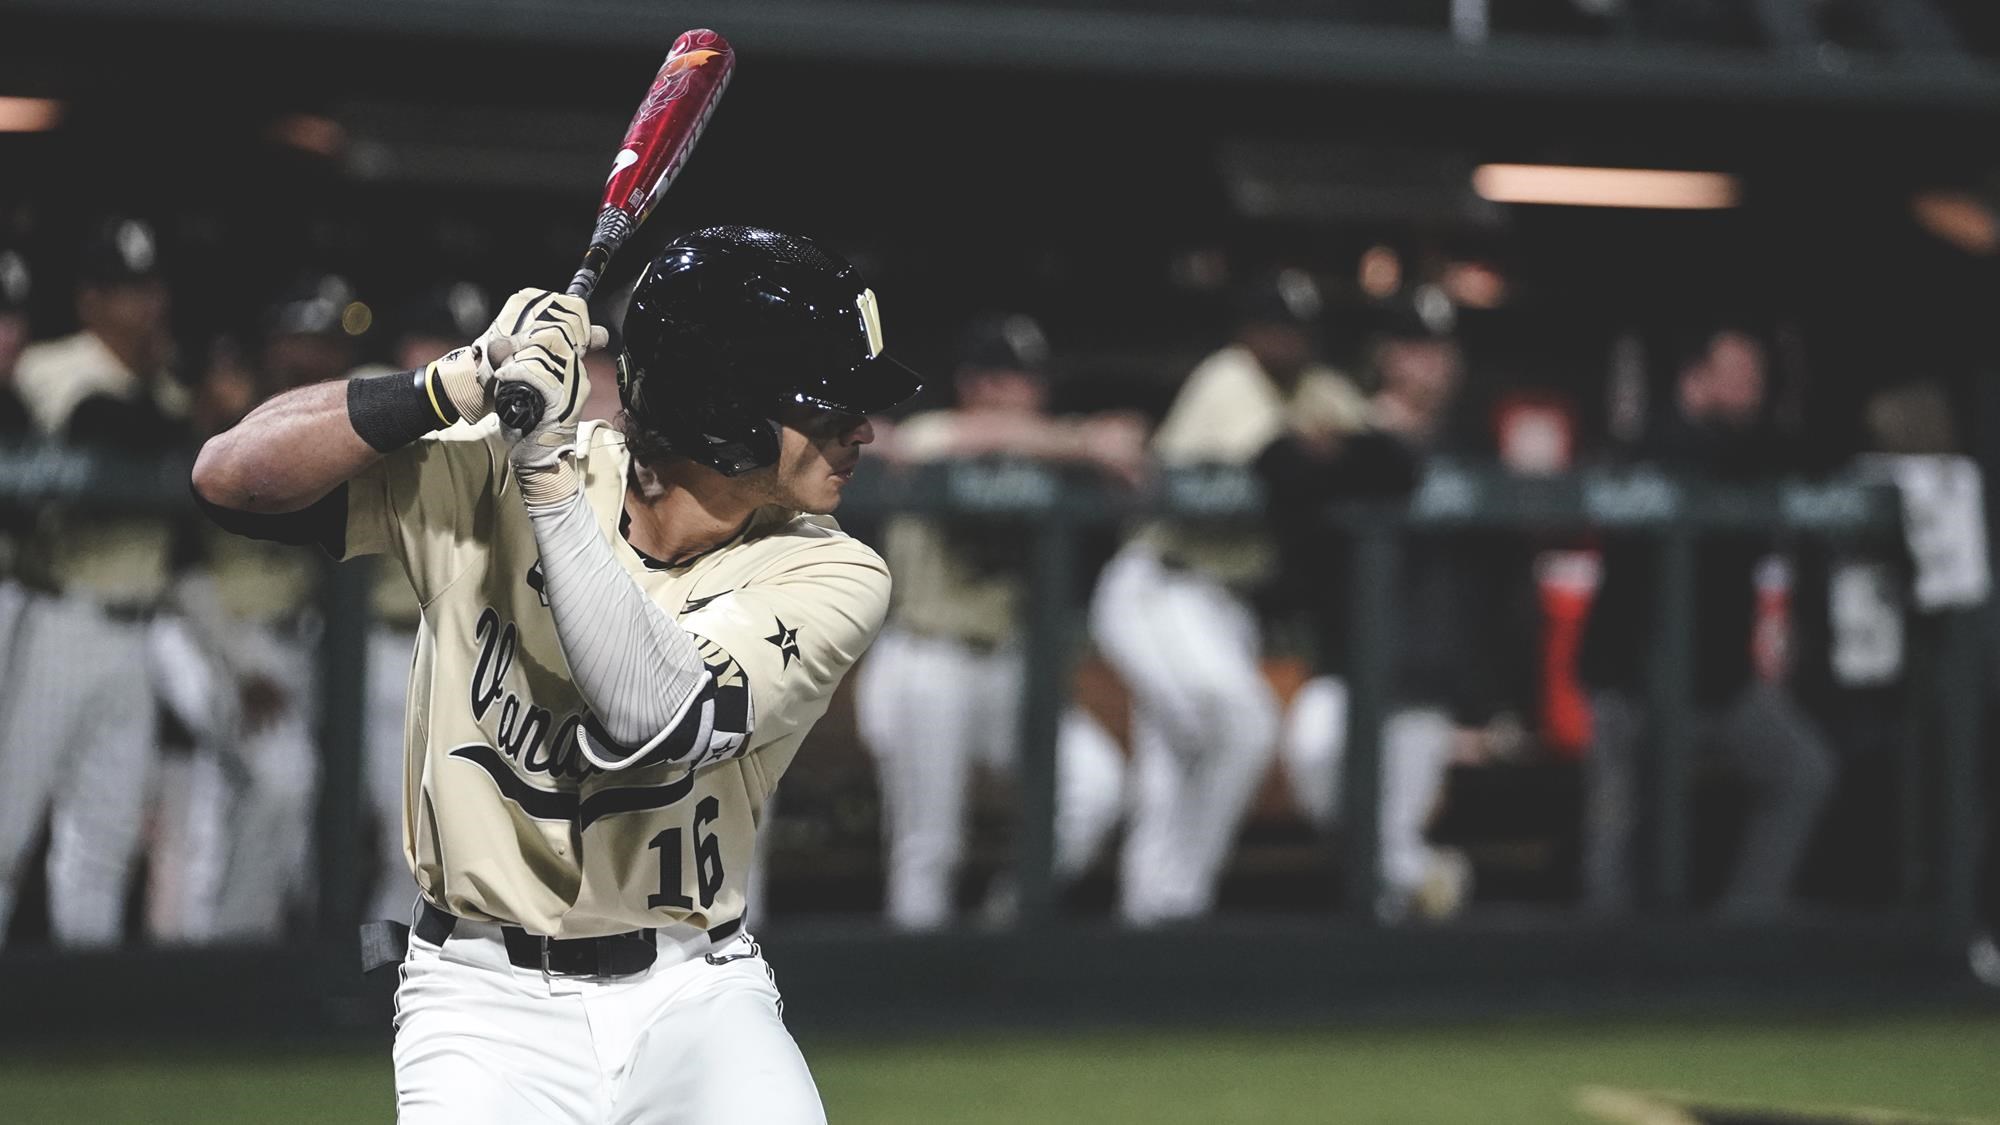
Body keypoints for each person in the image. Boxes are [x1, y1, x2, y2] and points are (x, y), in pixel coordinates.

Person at [193, 225, 917, 1122]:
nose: (862, 429)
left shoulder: (835, 571)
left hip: (695, 992)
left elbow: (651, 712)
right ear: (725, 406)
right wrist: (451, 383)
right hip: (479, 998)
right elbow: (230, 477)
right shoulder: (500, 468)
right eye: (827, 402)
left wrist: (544, 475)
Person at [1087, 268, 1373, 926]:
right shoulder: (1228, 377)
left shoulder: (1315, 388)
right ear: (1248, 333)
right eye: (1274, 329)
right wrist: (1324, 450)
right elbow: (1288, 469)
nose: (1286, 343)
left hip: (1223, 607)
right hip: (1160, 584)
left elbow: (1386, 459)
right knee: (1242, 724)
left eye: (1297, 331)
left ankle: (1146, 924)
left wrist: (1338, 449)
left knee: (1182, 758)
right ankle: (1178, 905)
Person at [855, 312, 1139, 930]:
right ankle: (913, 986)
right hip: (926, 659)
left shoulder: (1045, 454)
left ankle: (1004, 924)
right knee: (930, 844)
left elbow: (1132, 456)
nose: (1021, 395)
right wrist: (1087, 443)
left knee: (1096, 788)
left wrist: (1098, 446)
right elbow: (928, 442)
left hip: (1006, 667)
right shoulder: (935, 434)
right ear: (973, 385)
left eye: (1029, 382)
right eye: (1005, 381)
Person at [1578, 325, 1838, 920]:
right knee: (1615, 839)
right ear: (1695, 376)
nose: (1752, 390)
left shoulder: (1750, 450)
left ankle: (1745, 922)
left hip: (1717, 680)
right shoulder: (1654, 444)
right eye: (1738, 375)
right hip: (1631, 681)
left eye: (1757, 378)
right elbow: (1696, 461)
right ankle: (1594, 973)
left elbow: (1798, 454)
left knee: (1802, 769)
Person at [1257, 296, 1484, 922]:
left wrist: (1484, 706)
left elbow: (1485, 586)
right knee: (1313, 755)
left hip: (1426, 679)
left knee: (1385, 861)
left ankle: (1396, 995)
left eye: (1440, 351)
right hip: (1352, 661)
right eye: (1414, 349)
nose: (1428, 365)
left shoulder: (1469, 446)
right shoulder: (1351, 431)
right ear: (1386, 356)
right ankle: (1429, 872)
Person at [0, 217, 187, 948]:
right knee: (8, 824)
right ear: (89, 300)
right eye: (122, 291)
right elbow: (97, 430)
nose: (141, 306)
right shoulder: (49, 368)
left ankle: (88, 1017)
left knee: (105, 832)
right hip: (57, 616)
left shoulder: (165, 384)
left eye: (148, 288)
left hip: (137, 625)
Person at [350, 280, 494, 926]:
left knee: (431, 844)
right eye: (438, 342)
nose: (453, 357)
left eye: (464, 344)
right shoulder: (375, 392)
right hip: (373, 649)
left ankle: (393, 980)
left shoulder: (493, 412)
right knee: (391, 840)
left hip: (459, 657)